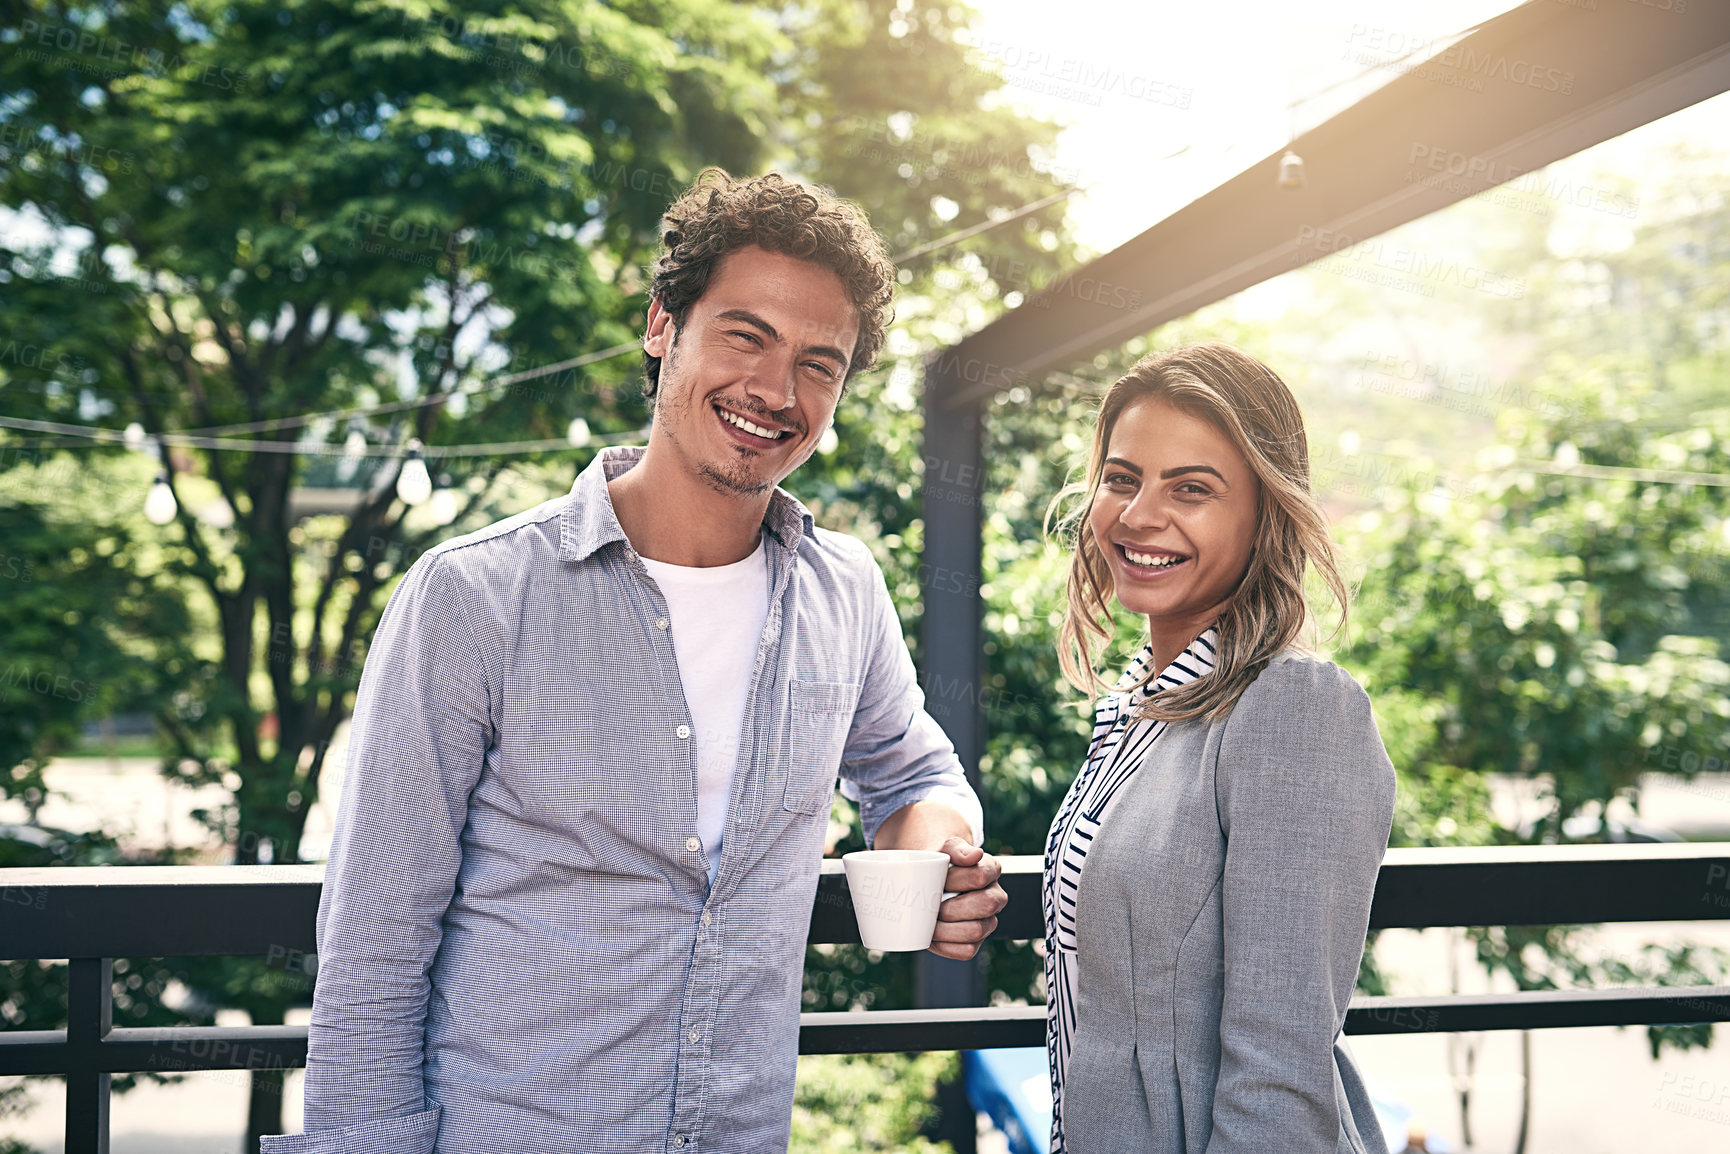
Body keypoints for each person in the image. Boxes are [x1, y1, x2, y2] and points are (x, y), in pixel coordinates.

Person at [263, 170, 1006, 1154]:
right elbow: (371, 950)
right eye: (743, 335)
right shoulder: (473, 596)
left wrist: (943, 849)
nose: (774, 392)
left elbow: (911, 769)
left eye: (817, 363)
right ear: (662, 325)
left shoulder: (843, 590)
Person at [1040, 343, 1395, 1153]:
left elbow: (1279, 1072)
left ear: (1265, 513)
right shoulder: (1142, 700)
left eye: (1191, 490)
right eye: (1123, 478)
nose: (1136, 516)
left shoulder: (1297, 709)